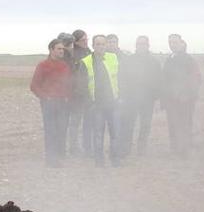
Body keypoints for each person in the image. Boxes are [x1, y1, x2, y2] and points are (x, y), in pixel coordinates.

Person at [81, 34, 123, 166]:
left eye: (103, 44)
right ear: (93, 46)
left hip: (113, 103)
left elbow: (121, 78)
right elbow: (81, 85)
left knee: (115, 133)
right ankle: (99, 161)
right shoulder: (86, 61)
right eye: (97, 44)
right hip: (97, 104)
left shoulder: (113, 57)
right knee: (98, 134)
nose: (100, 46)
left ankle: (115, 159)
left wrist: (121, 97)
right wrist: (89, 103)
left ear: (106, 45)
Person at [29, 38, 72, 167]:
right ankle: (51, 160)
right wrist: (45, 97)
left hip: (62, 103)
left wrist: (68, 96)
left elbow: (69, 84)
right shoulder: (43, 65)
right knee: (51, 130)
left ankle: (59, 157)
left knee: (61, 130)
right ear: (51, 50)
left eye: (62, 49)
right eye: (58, 49)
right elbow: (34, 85)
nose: (61, 51)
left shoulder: (65, 66)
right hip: (49, 103)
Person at [162, 34, 201, 157]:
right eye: (170, 42)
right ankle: (174, 149)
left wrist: (188, 95)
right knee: (172, 124)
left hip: (185, 100)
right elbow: (165, 80)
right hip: (171, 99)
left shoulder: (188, 60)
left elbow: (196, 78)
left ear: (181, 43)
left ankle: (185, 150)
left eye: (175, 42)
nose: (172, 44)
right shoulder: (169, 59)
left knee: (185, 124)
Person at [127, 35, 162, 154]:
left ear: (148, 45)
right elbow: (123, 78)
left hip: (148, 99)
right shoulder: (129, 60)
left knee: (145, 124)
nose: (141, 46)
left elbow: (158, 80)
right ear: (136, 45)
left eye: (143, 44)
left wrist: (156, 98)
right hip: (131, 98)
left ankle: (141, 148)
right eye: (139, 44)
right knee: (130, 123)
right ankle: (127, 147)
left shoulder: (154, 62)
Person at [66, 29, 92, 156]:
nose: (86, 41)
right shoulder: (72, 54)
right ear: (75, 41)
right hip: (76, 95)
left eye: (87, 39)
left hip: (89, 93)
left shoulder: (88, 52)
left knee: (88, 122)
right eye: (83, 40)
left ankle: (87, 146)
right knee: (75, 122)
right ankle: (73, 147)